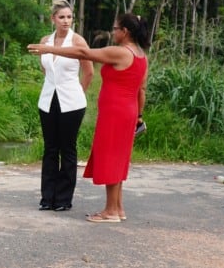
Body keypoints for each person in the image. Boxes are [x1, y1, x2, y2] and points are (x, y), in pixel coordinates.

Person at [27, 13, 149, 224]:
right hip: (129, 111)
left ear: (125, 32)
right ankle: (118, 208)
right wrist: (138, 115)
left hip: (116, 112)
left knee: (110, 158)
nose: (113, 32)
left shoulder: (120, 52)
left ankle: (110, 211)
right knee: (119, 160)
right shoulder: (141, 55)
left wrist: (49, 49)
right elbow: (142, 89)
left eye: (115, 28)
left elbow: (84, 52)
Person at [35, 0, 93, 212]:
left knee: (67, 148)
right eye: (62, 17)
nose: (66, 21)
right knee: (50, 148)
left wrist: (78, 92)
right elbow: (46, 69)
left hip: (72, 101)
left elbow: (88, 72)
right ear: (53, 19)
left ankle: (63, 199)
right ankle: (47, 198)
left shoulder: (77, 41)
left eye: (69, 17)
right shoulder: (45, 41)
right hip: (48, 99)